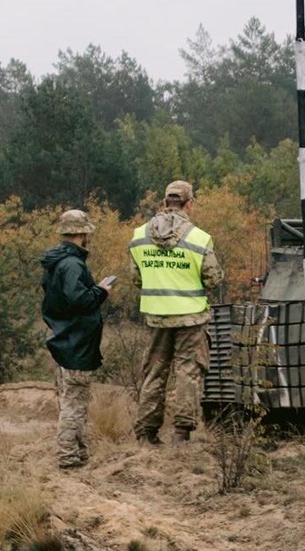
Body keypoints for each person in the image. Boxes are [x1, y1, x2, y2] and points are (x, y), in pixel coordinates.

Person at [129, 180, 223, 445]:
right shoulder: (198, 238)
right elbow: (213, 278)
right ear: (188, 204)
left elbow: (137, 278)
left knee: (154, 373)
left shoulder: (139, 235)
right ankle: (181, 434)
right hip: (191, 317)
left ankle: (146, 433)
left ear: (163, 203)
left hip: (157, 317)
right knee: (187, 373)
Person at [40, 209, 113, 469]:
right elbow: (78, 299)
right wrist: (101, 291)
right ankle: (68, 456)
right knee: (74, 403)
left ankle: (80, 453)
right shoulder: (72, 264)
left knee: (75, 400)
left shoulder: (57, 262)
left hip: (66, 338)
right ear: (82, 233)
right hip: (76, 342)